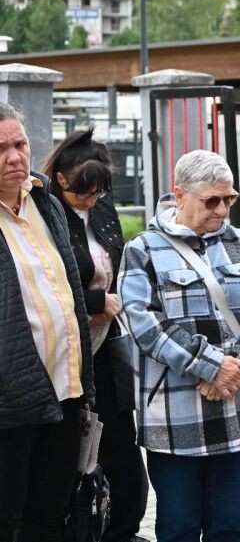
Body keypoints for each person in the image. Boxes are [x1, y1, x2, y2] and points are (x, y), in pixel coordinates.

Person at [119, 149, 240, 542]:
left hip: (238, 410)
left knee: (228, 528)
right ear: (180, 195)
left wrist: (237, 366)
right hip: (174, 420)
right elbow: (143, 322)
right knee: (178, 528)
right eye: (211, 200)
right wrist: (211, 366)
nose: (222, 210)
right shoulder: (143, 249)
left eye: (229, 199)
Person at [41, 128, 150, 542]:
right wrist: (94, 301)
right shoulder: (48, 213)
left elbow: (119, 263)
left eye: (98, 191)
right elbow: (46, 283)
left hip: (108, 343)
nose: (90, 199)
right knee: (74, 447)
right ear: (60, 180)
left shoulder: (102, 208)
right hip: (67, 348)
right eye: (81, 192)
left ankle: (124, 528)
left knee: (121, 441)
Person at [0, 104, 95, 542]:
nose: (14, 156)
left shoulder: (46, 202)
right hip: (10, 404)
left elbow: (68, 293)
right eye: (1, 149)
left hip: (66, 391)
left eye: (20, 144)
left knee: (50, 515)